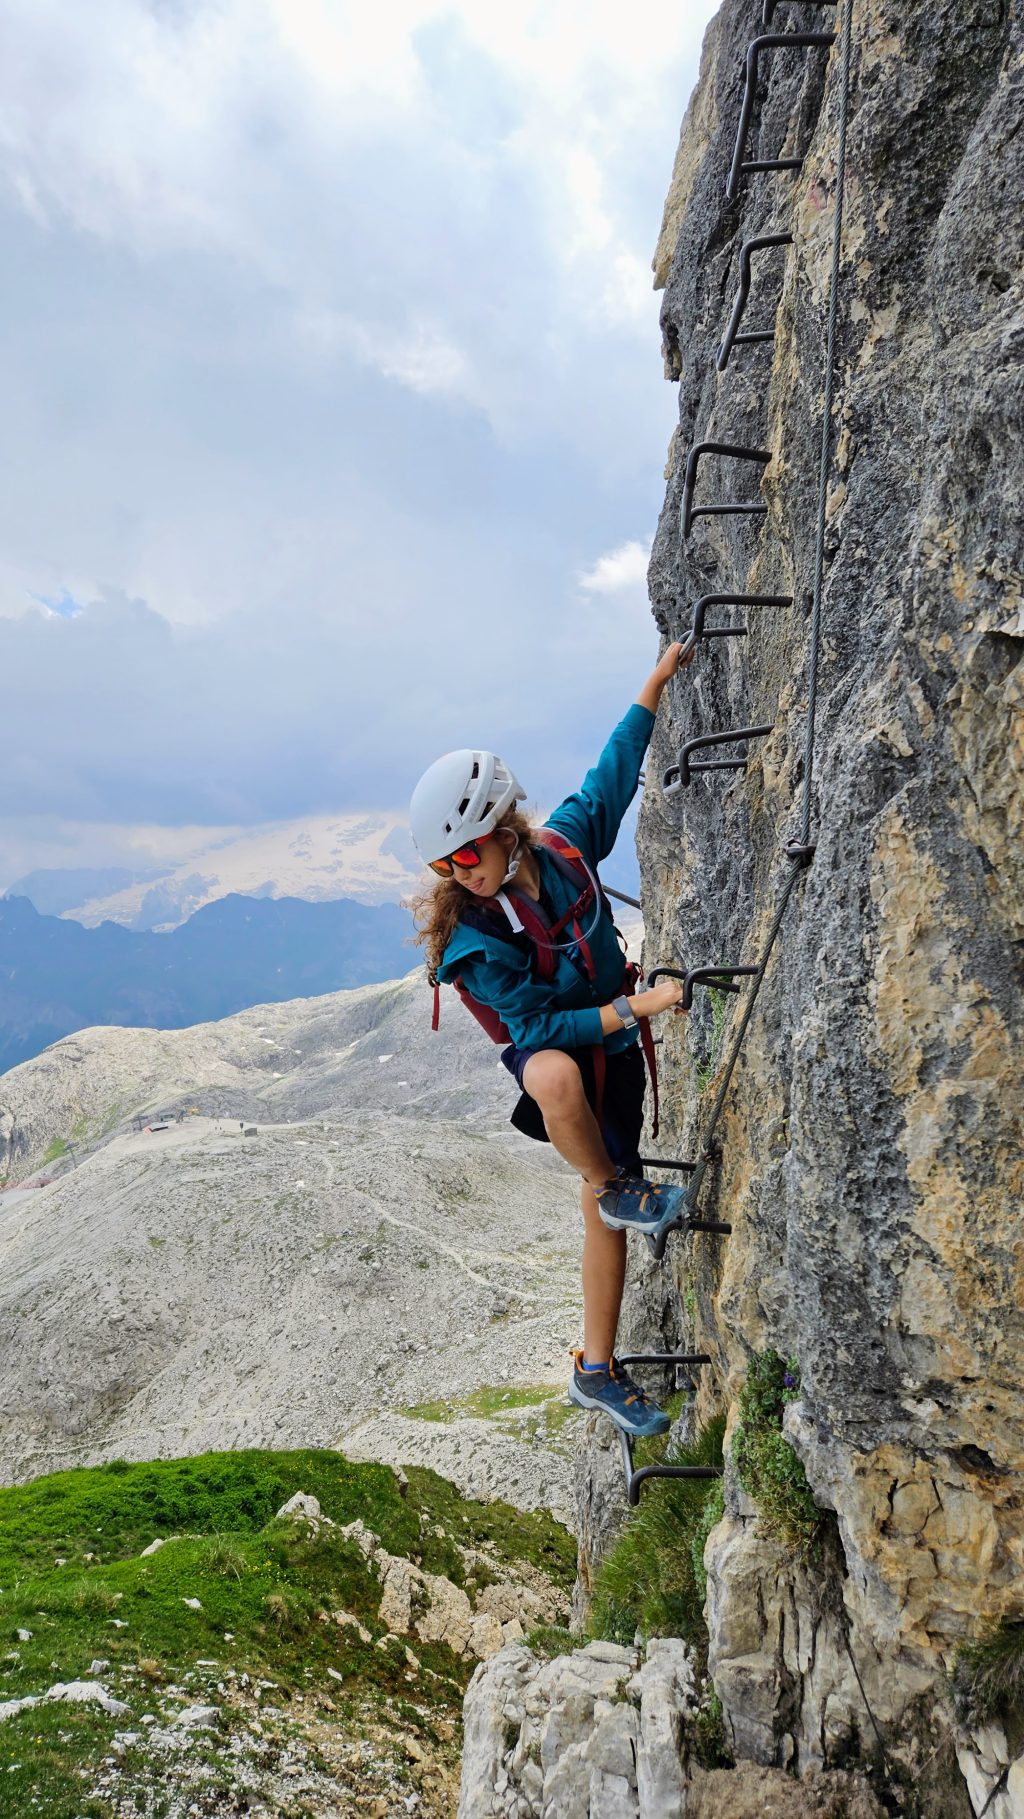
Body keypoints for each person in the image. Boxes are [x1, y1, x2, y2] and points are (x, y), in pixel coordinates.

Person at [408, 642, 690, 1437]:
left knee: (606, 1209)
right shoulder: (472, 938)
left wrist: (654, 686)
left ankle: (594, 1368)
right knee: (560, 1088)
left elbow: (611, 778)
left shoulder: (564, 849)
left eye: (469, 852)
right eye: (445, 861)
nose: (461, 872)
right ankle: (613, 1184)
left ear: (506, 828)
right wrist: (636, 1012)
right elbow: (536, 1031)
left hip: (613, 1053)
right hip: (566, 1053)